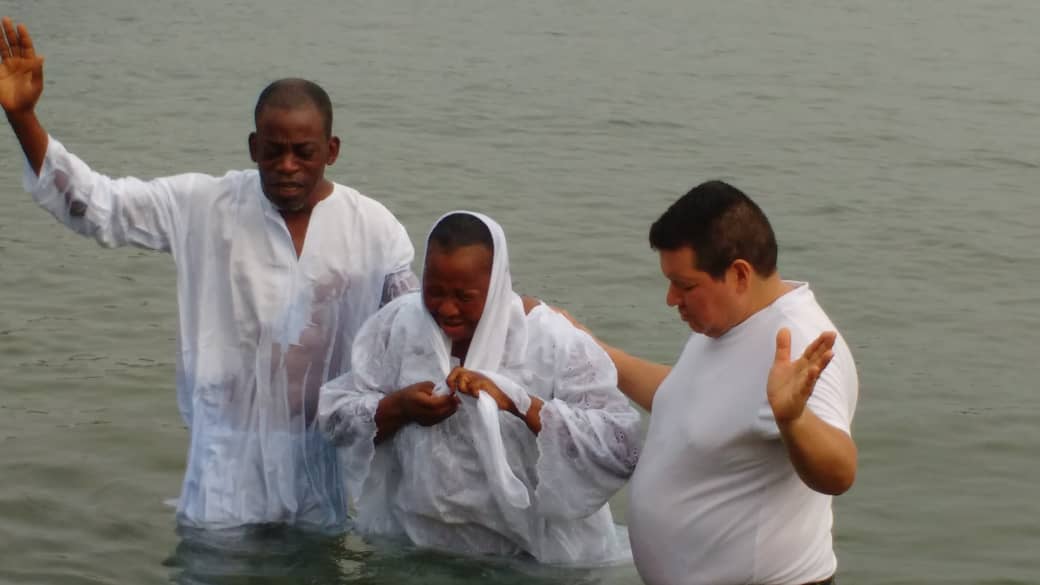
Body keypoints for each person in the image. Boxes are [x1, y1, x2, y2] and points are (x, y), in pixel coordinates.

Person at [0, 18, 418, 532]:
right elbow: (96, 206)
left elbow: (417, 326)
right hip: (223, 482)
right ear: (253, 147)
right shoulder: (203, 206)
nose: (287, 165)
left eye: (304, 152)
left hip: (321, 484)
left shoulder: (374, 228)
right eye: (273, 151)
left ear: (331, 150)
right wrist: (23, 118)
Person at [563, 181, 858, 585]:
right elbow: (684, 398)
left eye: (685, 285)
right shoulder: (728, 322)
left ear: (739, 274)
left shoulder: (799, 343)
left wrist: (793, 420)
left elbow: (840, 473)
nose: (671, 299)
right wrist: (593, 351)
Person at [318, 211, 641, 565]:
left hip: (534, 555)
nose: (447, 308)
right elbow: (335, 421)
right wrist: (399, 407)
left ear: (497, 286)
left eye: (465, 296)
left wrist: (518, 403)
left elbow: (617, 448)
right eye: (434, 291)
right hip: (417, 546)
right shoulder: (397, 326)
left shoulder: (550, 340)